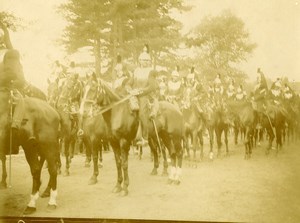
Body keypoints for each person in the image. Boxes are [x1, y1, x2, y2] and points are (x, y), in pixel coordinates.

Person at [131, 44, 159, 146]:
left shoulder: (151, 71)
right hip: (135, 94)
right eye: (143, 60)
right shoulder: (136, 71)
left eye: (147, 60)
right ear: (139, 60)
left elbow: (151, 87)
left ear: (149, 61)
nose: (145, 62)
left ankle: (145, 137)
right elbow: (129, 83)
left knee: (142, 112)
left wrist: (140, 91)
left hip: (146, 96)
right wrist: (130, 90)